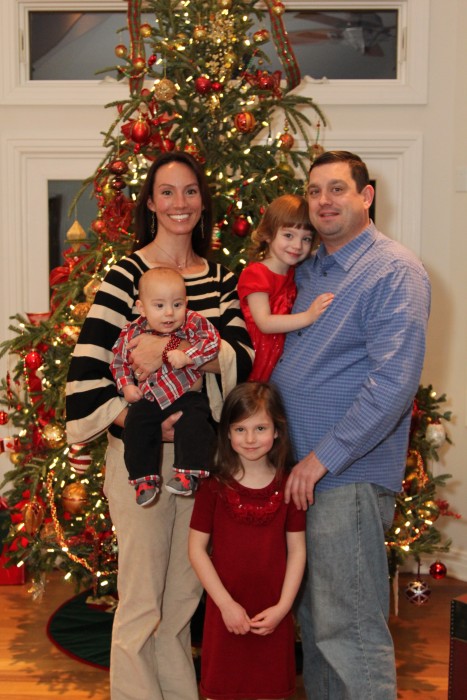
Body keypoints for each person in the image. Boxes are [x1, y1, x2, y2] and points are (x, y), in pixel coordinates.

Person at [66, 151, 254, 700]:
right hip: (141, 459)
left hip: (201, 459)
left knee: (180, 605)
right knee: (141, 602)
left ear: (203, 201)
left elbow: (243, 358)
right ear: (150, 202)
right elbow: (88, 364)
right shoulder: (126, 275)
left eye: (190, 191)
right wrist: (138, 423)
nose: (179, 203)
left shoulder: (220, 279)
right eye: (167, 192)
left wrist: (173, 348)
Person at [271, 150, 431, 700]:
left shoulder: (394, 271)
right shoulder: (308, 267)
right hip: (299, 474)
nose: (323, 201)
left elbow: (393, 384)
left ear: (366, 197)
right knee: (317, 626)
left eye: (337, 189)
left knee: (351, 629)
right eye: (314, 191)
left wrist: (321, 460)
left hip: (344, 477)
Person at [188, 382, 306, 700]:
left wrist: (283, 608)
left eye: (260, 428)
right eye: (240, 429)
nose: (250, 439)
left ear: (277, 430)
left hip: (273, 615)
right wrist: (225, 605)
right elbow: (196, 550)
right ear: (227, 433)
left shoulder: (290, 486)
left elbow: (297, 551)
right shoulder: (213, 487)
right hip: (226, 614)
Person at [110, 267, 221, 505]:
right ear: (142, 308)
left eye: (177, 304)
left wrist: (188, 355)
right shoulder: (131, 332)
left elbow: (212, 342)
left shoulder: (193, 322)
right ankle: (143, 480)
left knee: (196, 422)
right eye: (159, 306)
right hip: (151, 398)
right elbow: (118, 362)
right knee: (135, 424)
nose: (169, 313)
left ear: (186, 302)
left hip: (187, 395)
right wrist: (127, 385)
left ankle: (188, 473)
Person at [237, 194, 334, 381]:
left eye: (306, 239)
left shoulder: (293, 272)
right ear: (267, 234)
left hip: (282, 363)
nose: (297, 245)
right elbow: (265, 323)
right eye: (288, 235)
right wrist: (309, 316)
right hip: (257, 363)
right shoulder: (256, 274)